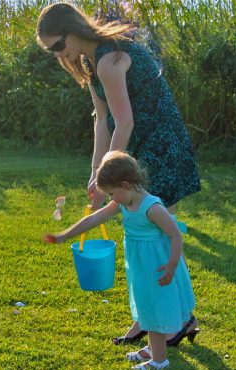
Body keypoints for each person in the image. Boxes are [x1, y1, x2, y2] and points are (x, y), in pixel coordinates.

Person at [37, 2, 201, 346]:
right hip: (136, 150)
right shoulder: (90, 62)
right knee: (146, 238)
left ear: (72, 29)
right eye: (51, 50)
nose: (57, 54)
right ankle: (151, 319)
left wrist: (108, 173)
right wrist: (96, 173)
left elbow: (124, 121)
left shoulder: (111, 60)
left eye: (57, 45)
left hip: (160, 146)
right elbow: (102, 120)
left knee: (156, 238)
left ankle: (179, 320)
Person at [44, 152, 198, 370]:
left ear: (126, 185)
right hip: (140, 265)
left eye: (112, 193)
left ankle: (160, 361)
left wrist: (173, 266)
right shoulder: (123, 203)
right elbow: (94, 218)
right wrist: (63, 236)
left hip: (158, 265)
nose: (111, 199)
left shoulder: (152, 207)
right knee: (146, 304)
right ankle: (153, 349)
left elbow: (176, 235)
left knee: (155, 308)